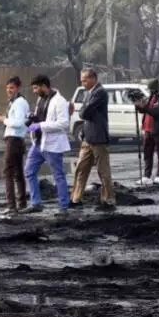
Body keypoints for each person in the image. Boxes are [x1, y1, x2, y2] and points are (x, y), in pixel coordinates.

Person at [20, 75, 71, 215]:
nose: (35, 91)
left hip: (52, 144)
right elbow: (40, 118)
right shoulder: (40, 99)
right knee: (29, 171)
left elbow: (63, 123)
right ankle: (36, 203)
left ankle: (63, 206)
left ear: (44, 86)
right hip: (38, 143)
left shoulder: (59, 101)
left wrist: (40, 125)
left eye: (36, 88)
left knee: (58, 175)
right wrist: (32, 120)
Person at [70, 69, 114, 212]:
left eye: (85, 80)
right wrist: (83, 113)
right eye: (82, 80)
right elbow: (84, 112)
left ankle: (108, 200)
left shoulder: (100, 92)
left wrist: (83, 112)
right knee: (80, 169)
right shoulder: (89, 93)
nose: (82, 83)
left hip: (99, 138)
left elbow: (84, 112)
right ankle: (76, 199)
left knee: (103, 171)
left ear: (93, 78)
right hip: (88, 137)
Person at [0, 76, 30, 216]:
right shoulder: (15, 102)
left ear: (18, 88)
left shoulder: (19, 103)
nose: (9, 90)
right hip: (16, 139)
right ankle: (21, 204)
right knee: (18, 173)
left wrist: (4, 119)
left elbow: (19, 123)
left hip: (14, 140)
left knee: (8, 172)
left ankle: (11, 206)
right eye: (7, 88)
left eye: (12, 88)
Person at [135, 79, 159, 185]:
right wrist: (139, 106)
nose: (150, 91)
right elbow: (146, 109)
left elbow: (158, 112)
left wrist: (146, 108)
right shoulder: (151, 96)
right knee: (147, 153)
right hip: (147, 129)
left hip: (158, 129)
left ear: (156, 88)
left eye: (151, 89)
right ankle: (147, 175)